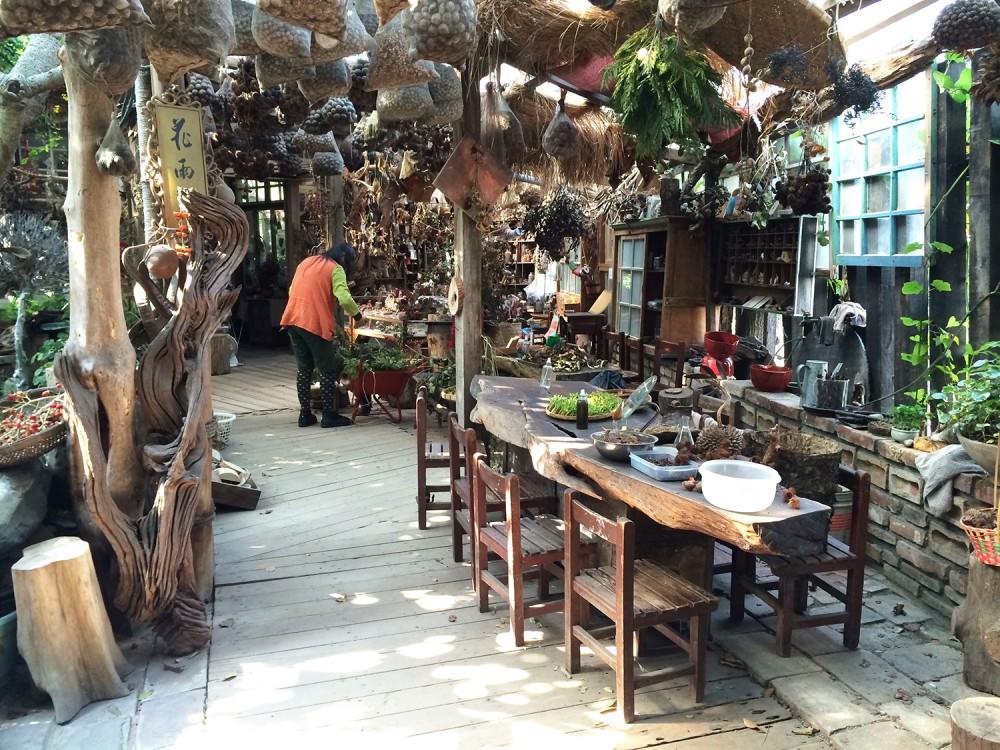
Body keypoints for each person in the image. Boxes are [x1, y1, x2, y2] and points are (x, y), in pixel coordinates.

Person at [280, 243, 361, 428]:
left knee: (304, 369)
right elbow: (344, 298)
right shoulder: (335, 268)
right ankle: (329, 415)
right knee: (327, 369)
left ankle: (305, 415)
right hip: (314, 322)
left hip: (293, 319)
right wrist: (357, 315)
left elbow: (292, 290)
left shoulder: (306, 262)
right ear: (344, 259)